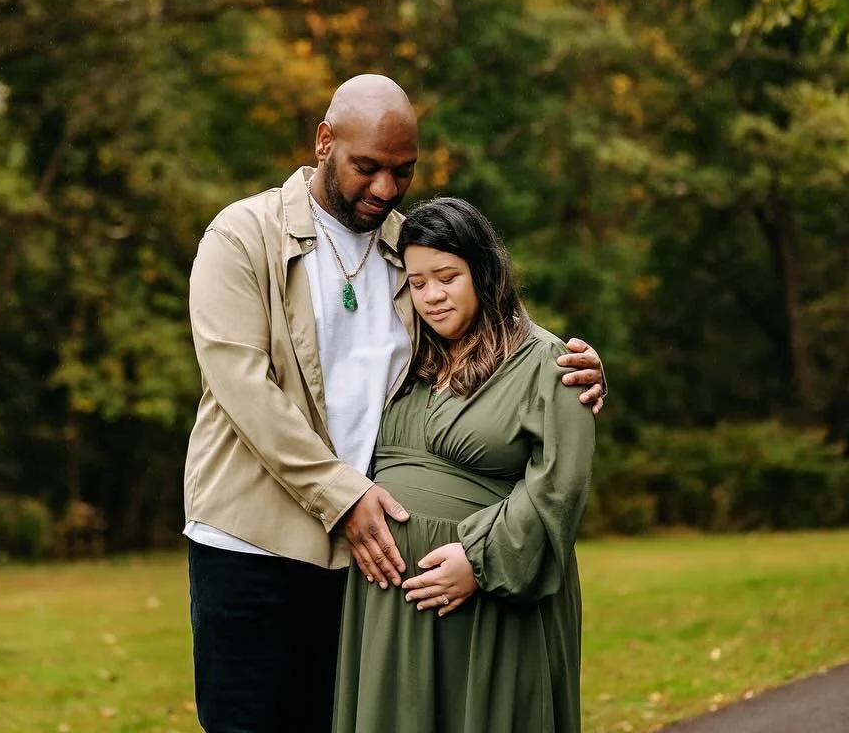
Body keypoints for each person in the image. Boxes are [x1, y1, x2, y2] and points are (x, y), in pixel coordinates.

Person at [182, 73, 604, 733]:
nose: (384, 188)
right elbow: (243, 387)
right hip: (256, 545)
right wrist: (343, 495)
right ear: (324, 142)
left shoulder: (408, 245)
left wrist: (574, 366)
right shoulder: (243, 236)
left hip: (366, 555)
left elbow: (492, 324)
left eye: (402, 172)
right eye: (367, 167)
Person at [333, 196, 594, 733]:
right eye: (418, 282)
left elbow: (560, 485)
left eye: (447, 277)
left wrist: (479, 559)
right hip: (389, 600)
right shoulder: (403, 357)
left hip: (490, 599)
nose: (432, 296)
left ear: (484, 271)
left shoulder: (547, 361)